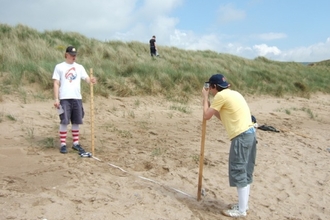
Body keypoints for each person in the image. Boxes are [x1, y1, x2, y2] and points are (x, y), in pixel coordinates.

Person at [202, 73, 257, 218]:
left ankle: (241, 211)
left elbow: (206, 115)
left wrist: (205, 98)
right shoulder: (233, 94)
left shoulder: (220, 97)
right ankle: (243, 205)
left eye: (211, 88)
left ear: (214, 87)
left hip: (242, 137)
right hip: (250, 133)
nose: (210, 90)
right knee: (245, 171)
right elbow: (223, 117)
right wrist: (213, 108)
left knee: (238, 171)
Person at [52, 46, 96, 154]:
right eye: (72, 55)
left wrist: (91, 80)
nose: (74, 57)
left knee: (76, 120)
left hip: (77, 98)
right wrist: (56, 99)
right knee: (64, 121)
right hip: (64, 98)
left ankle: (76, 143)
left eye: (75, 55)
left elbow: (86, 78)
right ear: (66, 54)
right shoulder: (59, 67)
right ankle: (63, 144)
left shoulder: (79, 67)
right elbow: (56, 83)